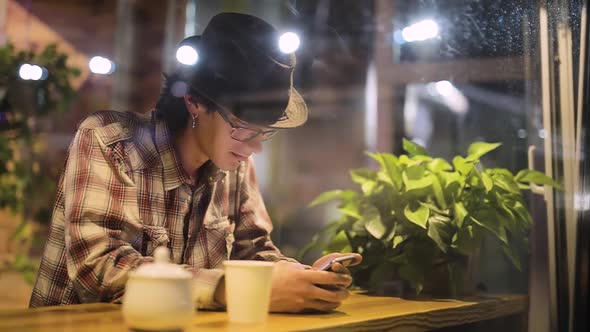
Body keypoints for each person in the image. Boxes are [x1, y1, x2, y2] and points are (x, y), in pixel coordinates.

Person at [29, 12, 361, 313]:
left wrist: (305, 280)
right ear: (194, 102)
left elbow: (254, 254)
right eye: (245, 129)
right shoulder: (109, 141)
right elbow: (98, 269)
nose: (256, 148)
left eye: (266, 133)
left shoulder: (235, 164)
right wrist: (227, 289)